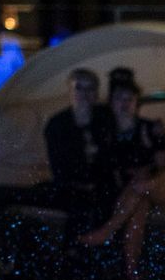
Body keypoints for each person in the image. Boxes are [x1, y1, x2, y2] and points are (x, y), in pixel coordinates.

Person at [79, 68, 165, 280]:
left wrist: (151, 182)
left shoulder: (151, 128)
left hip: (161, 188)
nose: (124, 104)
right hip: (134, 192)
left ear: (136, 102)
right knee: (139, 205)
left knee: (142, 182)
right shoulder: (106, 132)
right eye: (119, 99)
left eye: (129, 99)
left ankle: (107, 230)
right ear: (111, 102)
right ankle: (133, 275)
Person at [43, 68, 116, 220]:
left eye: (90, 88)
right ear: (70, 91)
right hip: (71, 188)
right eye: (78, 88)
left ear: (96, 93)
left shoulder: (106, 117)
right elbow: (58, 167)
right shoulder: (57, 124)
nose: (84, 93)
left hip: (103, 188)